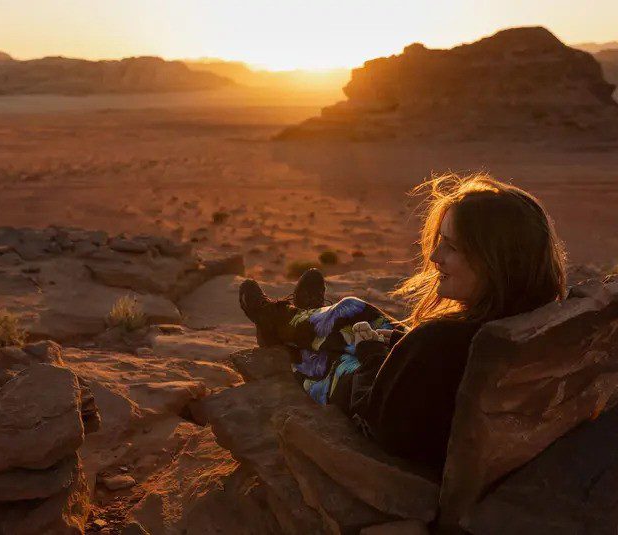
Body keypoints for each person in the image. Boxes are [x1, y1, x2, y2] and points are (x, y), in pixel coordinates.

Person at [238, 173, 568, 475]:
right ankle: (306, 318)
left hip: (370, 404)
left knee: (332, 356)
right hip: (435, 385)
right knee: (355, 311)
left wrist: (371, 356)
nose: (435, 256)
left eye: (451, 247)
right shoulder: (534, 317)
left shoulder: (437, 342)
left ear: (498, 260)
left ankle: (280, 326)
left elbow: (379, 421)